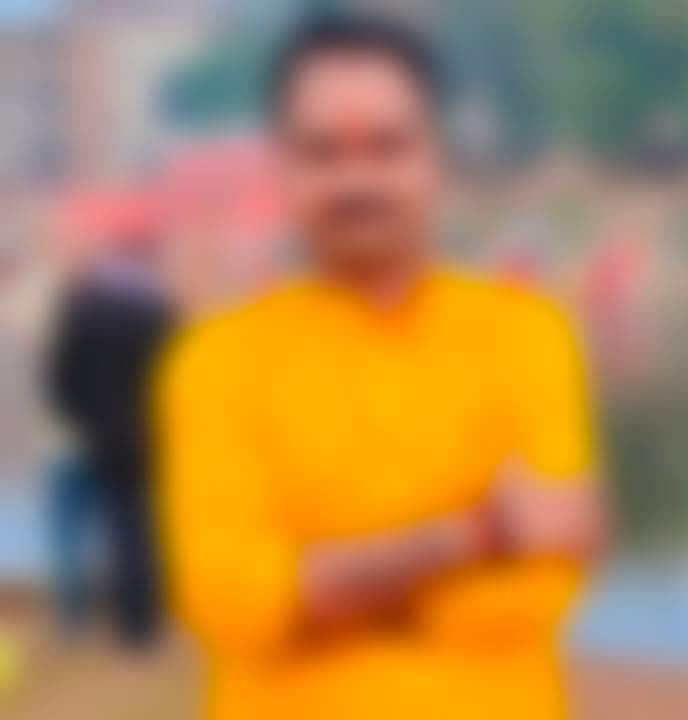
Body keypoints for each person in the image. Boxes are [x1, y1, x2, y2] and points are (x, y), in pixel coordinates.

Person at [156, 16, 605, 720]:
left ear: (437, 158)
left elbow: (536, 592)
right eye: (324, 152)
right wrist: (478, 535)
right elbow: (228, 600)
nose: (357, 179)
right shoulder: (216, 361)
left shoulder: (527, 335)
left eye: (388, 147)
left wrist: (315, 590)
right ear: (283, 167)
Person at [49, 192, 174, 646]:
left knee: (118, 526)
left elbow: (64, 374)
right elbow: (178, 376)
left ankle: (123, 619)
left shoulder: (87, 308)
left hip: (104, 436)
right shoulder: (158, 307)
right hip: (152, 434)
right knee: (151, 525)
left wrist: (87, 419)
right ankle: (147, 617)